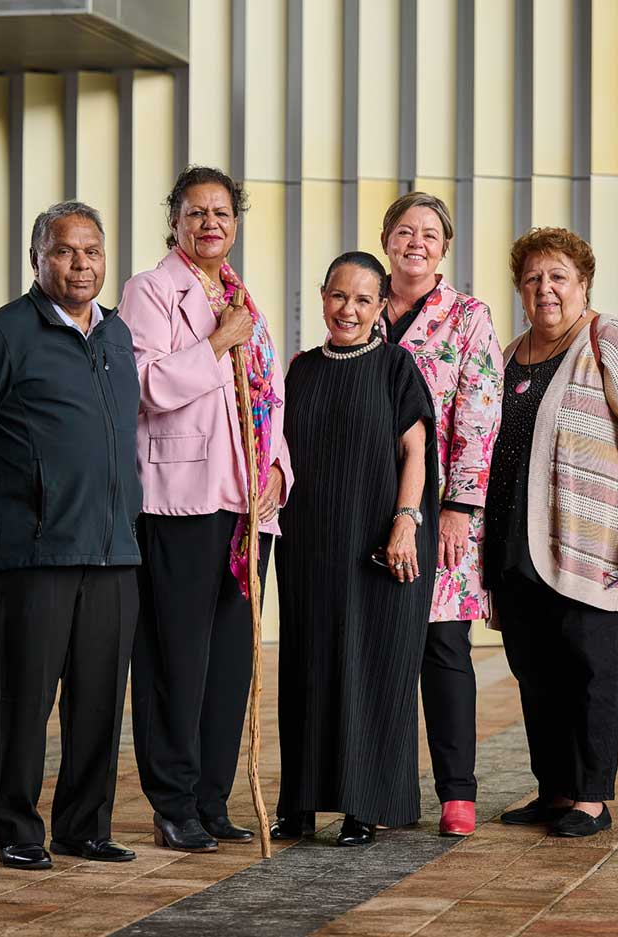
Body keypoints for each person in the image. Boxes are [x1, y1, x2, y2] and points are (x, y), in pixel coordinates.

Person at [0, 201, 143, 870]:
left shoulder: (118, 336)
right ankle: (17, 830)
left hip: (114, 549)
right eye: (65, 250)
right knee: (24, 700)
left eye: (92, 250)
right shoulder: (0, 335)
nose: (81, 263)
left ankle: (83, 826)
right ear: (37, 259)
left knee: (98, 700)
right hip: (32, 553)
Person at [120, 166, 293, 853]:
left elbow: (269, 398)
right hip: (180, 501)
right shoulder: (150, 290)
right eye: (196, 213)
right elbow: (149, 385)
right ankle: (174, 800)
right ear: (175, 221)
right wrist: (220, 341)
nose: (210, 224)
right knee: (175, 657)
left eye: (221, 212)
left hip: (248, 504)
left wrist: (279, 468)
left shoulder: (242, 295)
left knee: (230, 658)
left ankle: (213, 797)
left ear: (236, 220)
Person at [485, 228, 618, 838]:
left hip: (591, 542)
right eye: (534, 278)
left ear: (583, 283)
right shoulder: (511, 353)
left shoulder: (609, 339)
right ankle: (555, 789)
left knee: (591, 670)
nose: (546, 289)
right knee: (536, 673)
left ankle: (592, 797)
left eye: (559, 277)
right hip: (518, 546)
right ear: (520, 288)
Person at [271, 251, 438, 847]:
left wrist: (405, 522)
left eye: (364, 300)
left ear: (379, 308)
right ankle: (300, 804)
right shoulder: (300, 369)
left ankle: (364, 804)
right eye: (339, 296)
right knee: (307, 667)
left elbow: (415, 451)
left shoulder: (396, 367)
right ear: (322, 296)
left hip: (376, 543)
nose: (349, 309)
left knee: (370, 669)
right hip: (310, 546)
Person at [377, 193, 503, 837]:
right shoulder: (362, 304)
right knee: (378, 649)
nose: (416, 242)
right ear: (386, 240)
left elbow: (481, 414)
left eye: (429, 234)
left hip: (443, 508)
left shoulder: (468, 317)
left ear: (444, 248)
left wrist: (459, 506)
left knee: (443, 646)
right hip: (369, 507)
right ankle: (377, 789)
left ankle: (458, 793)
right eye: (405, 231)